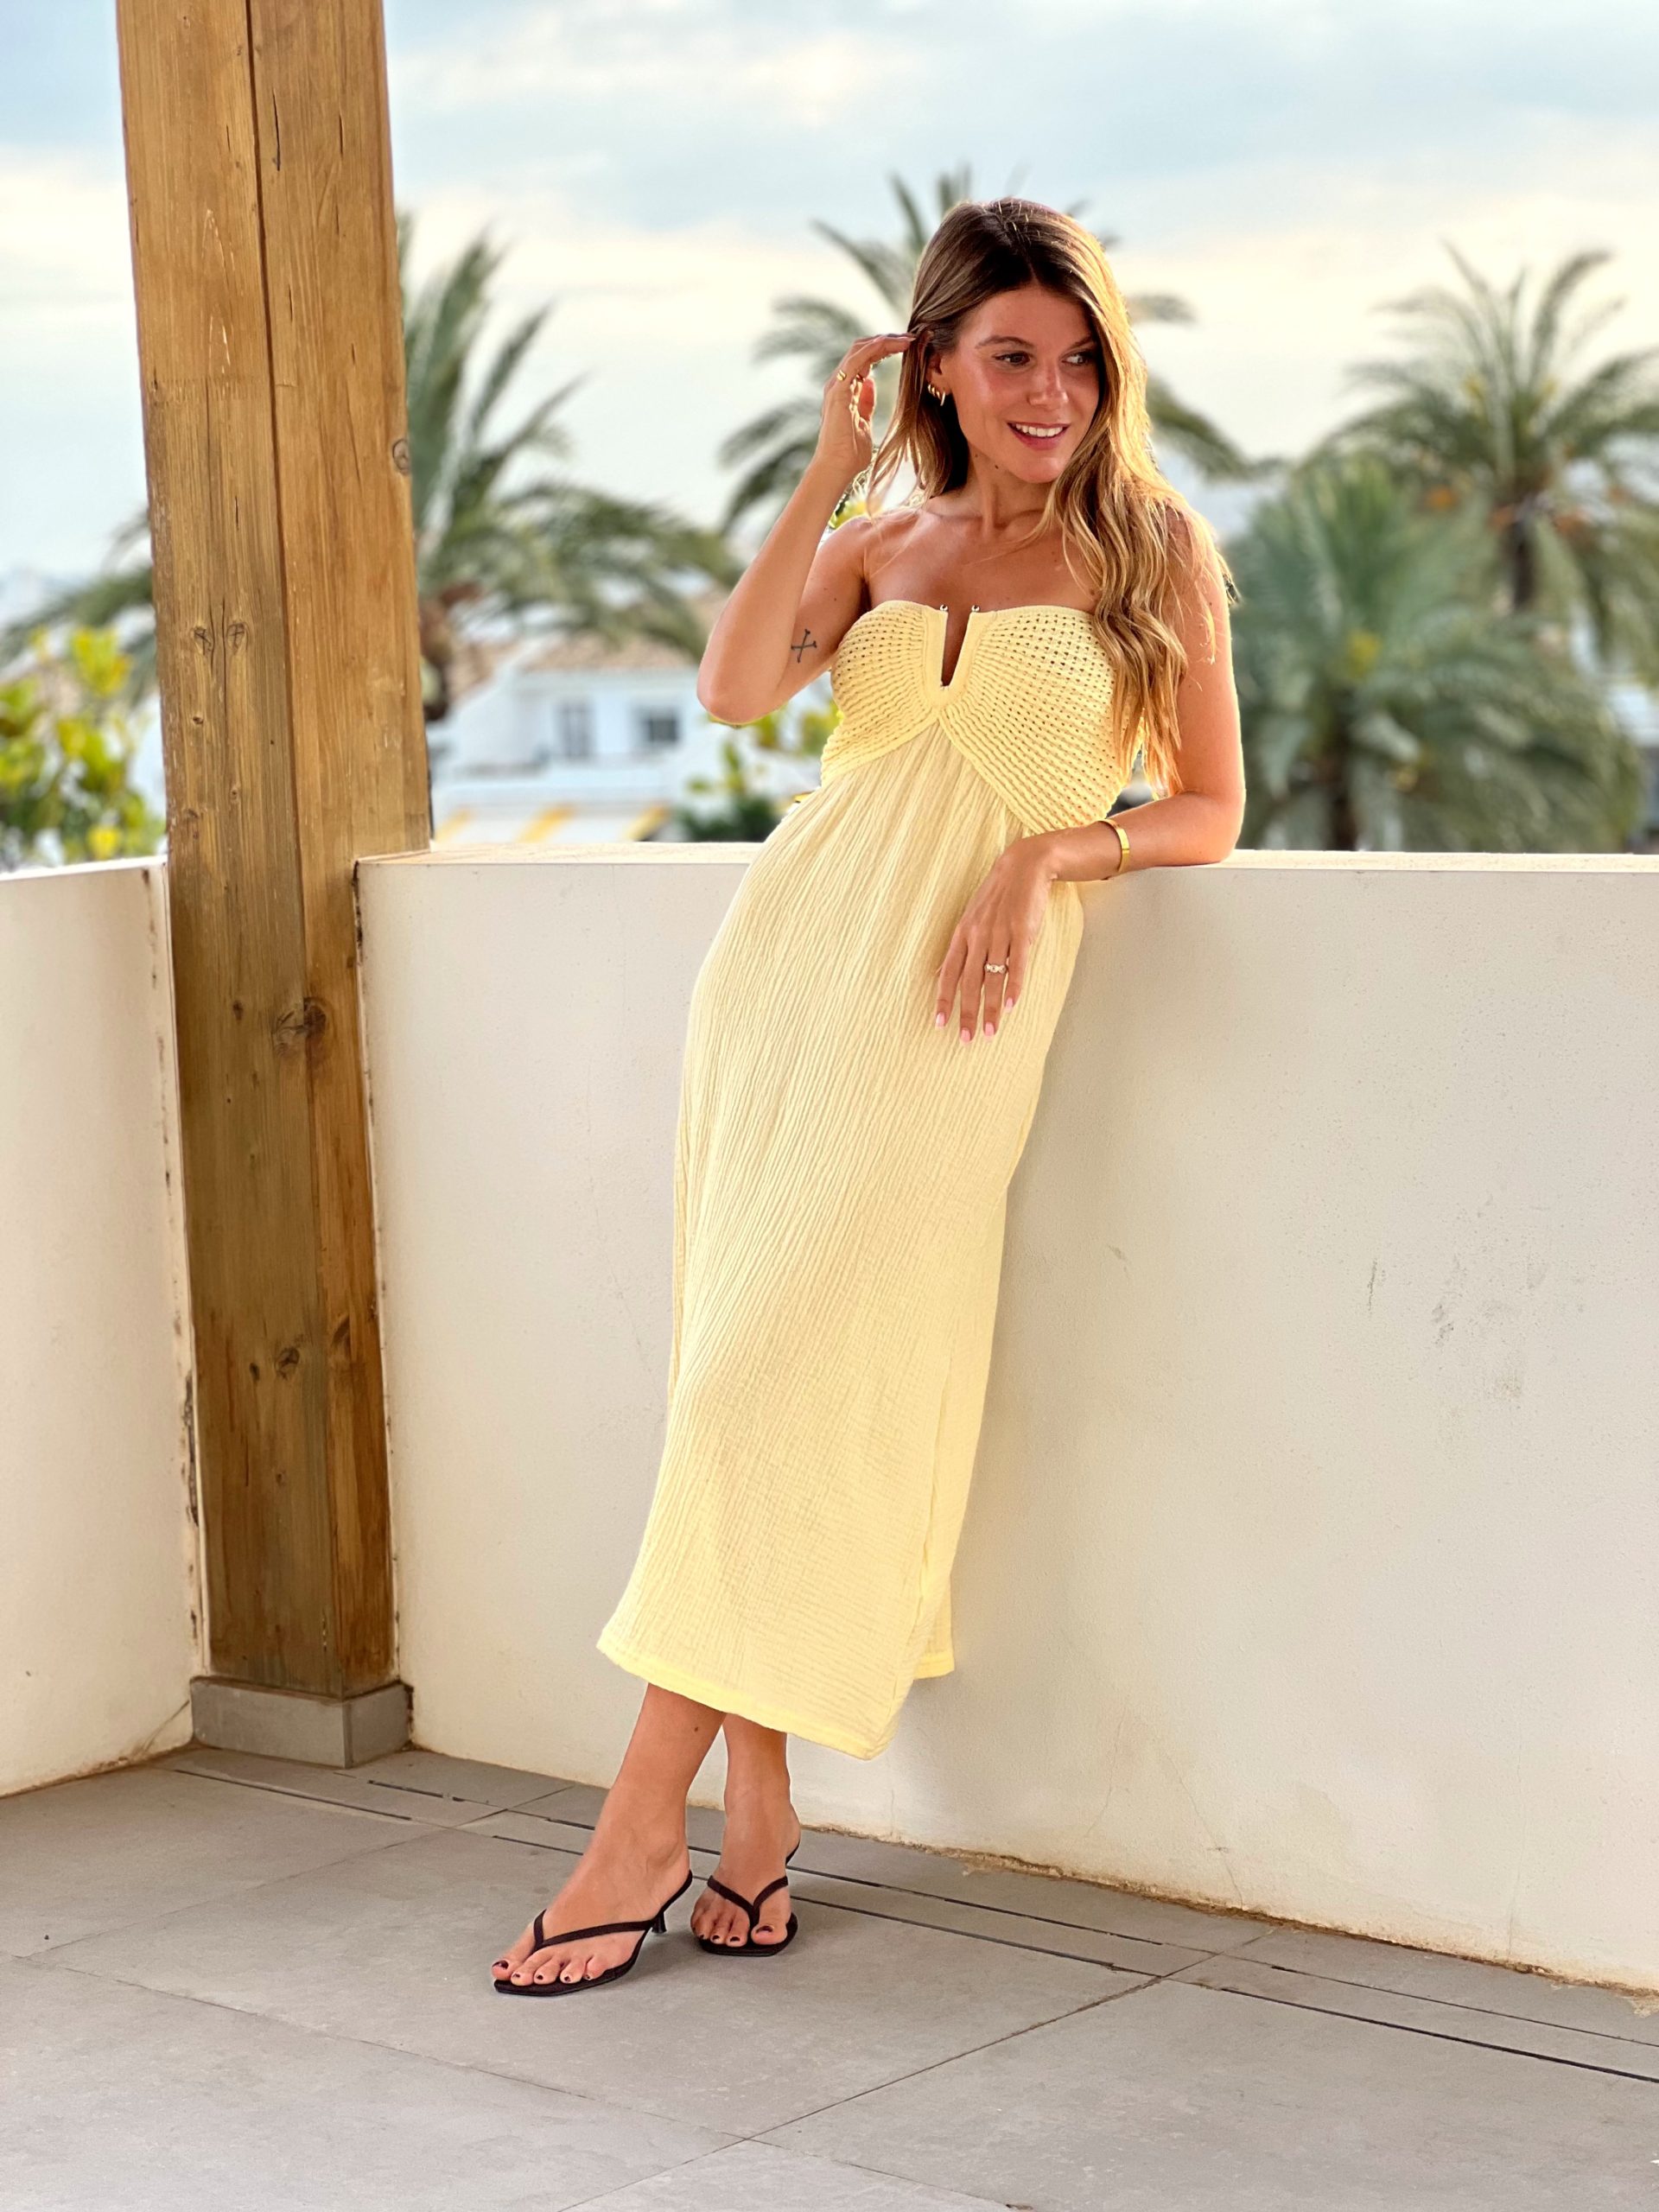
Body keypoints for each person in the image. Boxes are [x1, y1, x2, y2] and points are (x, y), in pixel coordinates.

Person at [491, 195, 1244, 1995]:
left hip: (955, 1017)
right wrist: (829, 473)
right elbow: (734, 686)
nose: (1052, 392)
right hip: (782, 983)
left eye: (1080, 359)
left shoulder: (1153, 548)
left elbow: (1210, 806)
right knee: (741, 1374)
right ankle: (754, 1816)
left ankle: (635, 1829)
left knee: (772, 1380)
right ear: (936, 368)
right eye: (1012, 356)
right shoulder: (883, 540)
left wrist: (1050, 855)